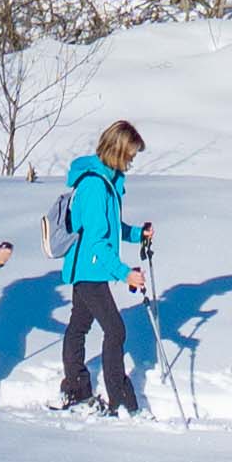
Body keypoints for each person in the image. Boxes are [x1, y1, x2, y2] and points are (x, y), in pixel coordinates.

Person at [50, 120, 147, 416]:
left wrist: (137, 233)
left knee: (79, 325)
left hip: (91, 269)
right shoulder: (94, 185)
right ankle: (118, 399)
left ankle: (76, 388)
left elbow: (111, 228)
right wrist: (124, 272)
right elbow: (95, 241)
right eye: (129, 155)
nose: (131, 162)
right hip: (89, 270)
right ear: (116, 150)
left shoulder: (107, 182)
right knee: (115, 331)